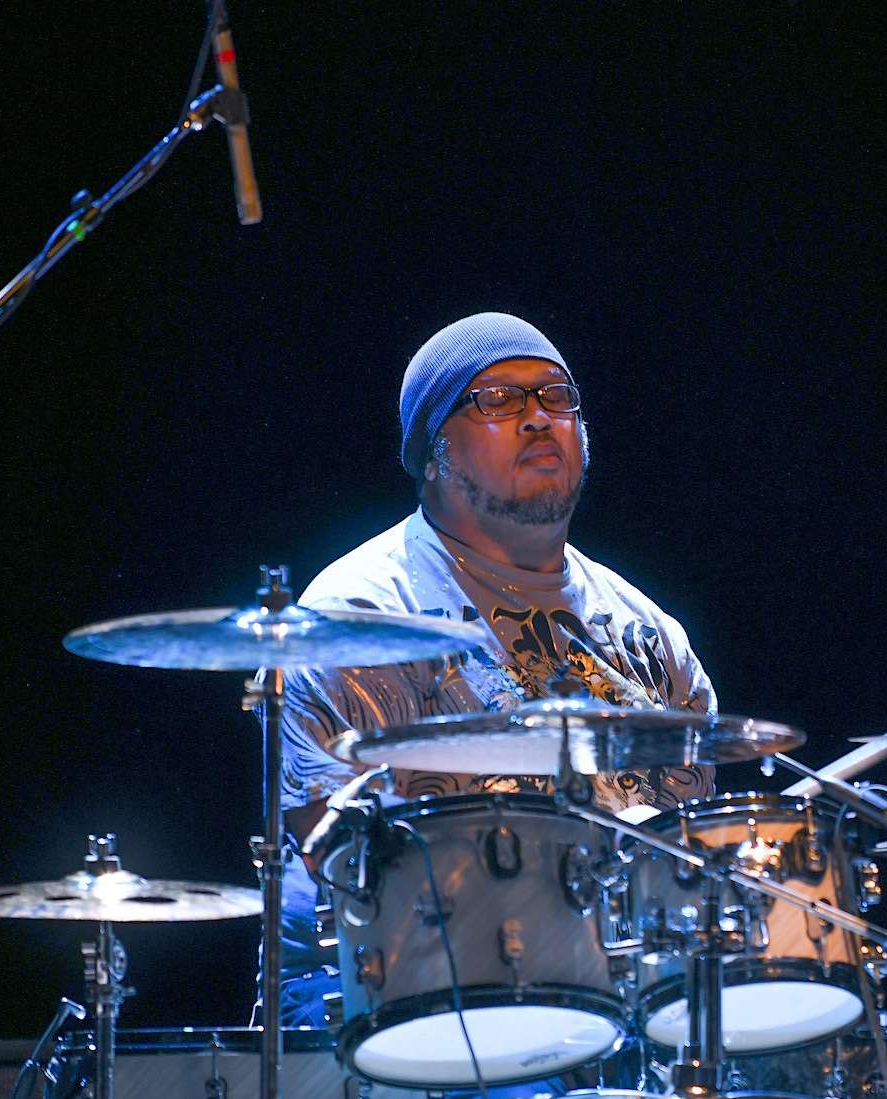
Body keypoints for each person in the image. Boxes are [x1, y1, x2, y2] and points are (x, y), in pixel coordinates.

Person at [271, 312, 718, 1029]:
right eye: (499, 400)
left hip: (613, 986)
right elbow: (343, 858)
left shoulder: (647, 633)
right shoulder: (361, 617)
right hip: (398, 989)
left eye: (556, 396)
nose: (539, 417)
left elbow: (685, 850)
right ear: (433, 455)